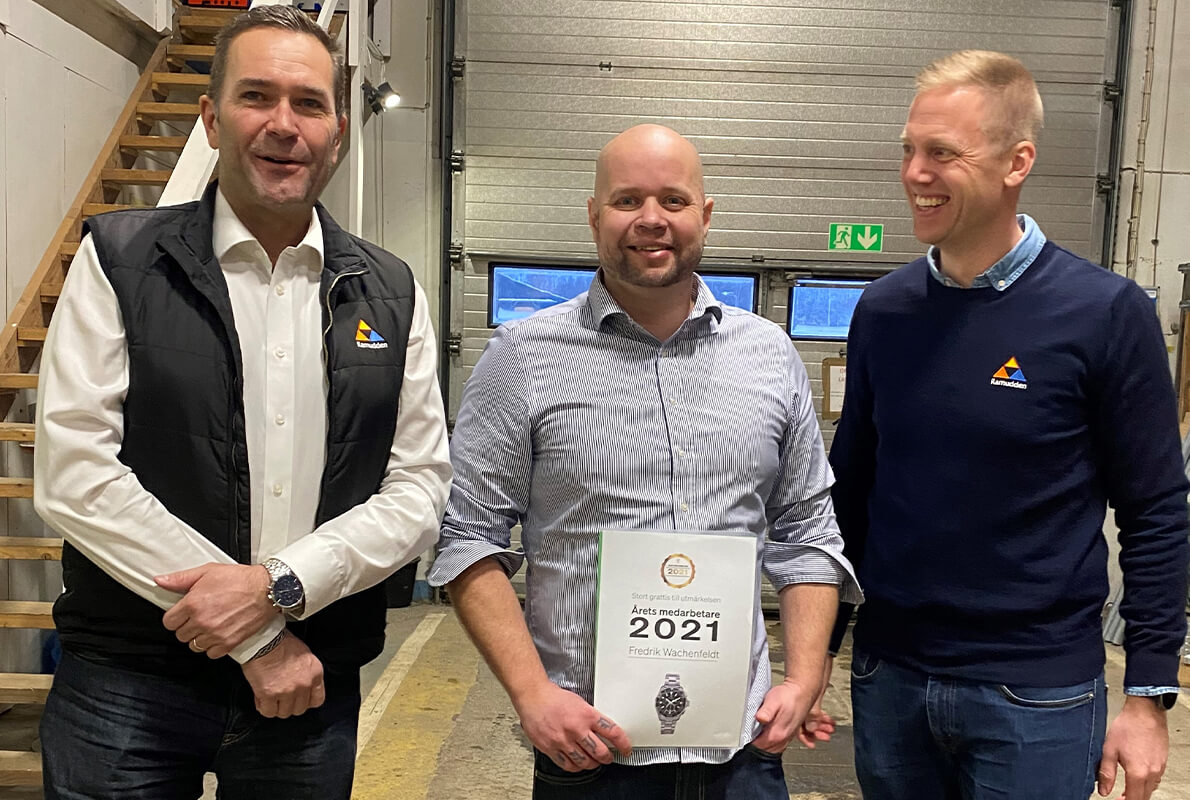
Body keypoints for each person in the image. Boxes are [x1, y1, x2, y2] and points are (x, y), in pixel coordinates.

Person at [32, 6, 451, 798]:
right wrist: (259, 638)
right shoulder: (120, 260)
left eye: (309, 103)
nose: (283, 124)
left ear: (338, 132)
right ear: (211, 118)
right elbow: (75, 472)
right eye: (256, 96)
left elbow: (419, 490)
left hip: (311, 688)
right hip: (129, 683)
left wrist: (280, 585)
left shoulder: (392, 293)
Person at [429, 123, 861, 799]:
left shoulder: (770, 355)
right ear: (594, 215)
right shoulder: (520, 358)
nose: (651, 219)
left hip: (741, 753)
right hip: (590, 752)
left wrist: (805, 678)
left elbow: (807, 531)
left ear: (705, 215)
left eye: (673, 200)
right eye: (627, 200)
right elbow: (467, 538)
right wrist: (532, 693)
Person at [827, 50, 1190, 800]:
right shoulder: (885, 311)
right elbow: (850, 490)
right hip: (890, 677)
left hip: (1037, 694)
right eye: (908, 150)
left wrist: (1148, 693)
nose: (915, 173)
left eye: (942, 153)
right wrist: (817, 655)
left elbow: (1156, 510)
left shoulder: (1104, 313)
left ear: (1017, 162)